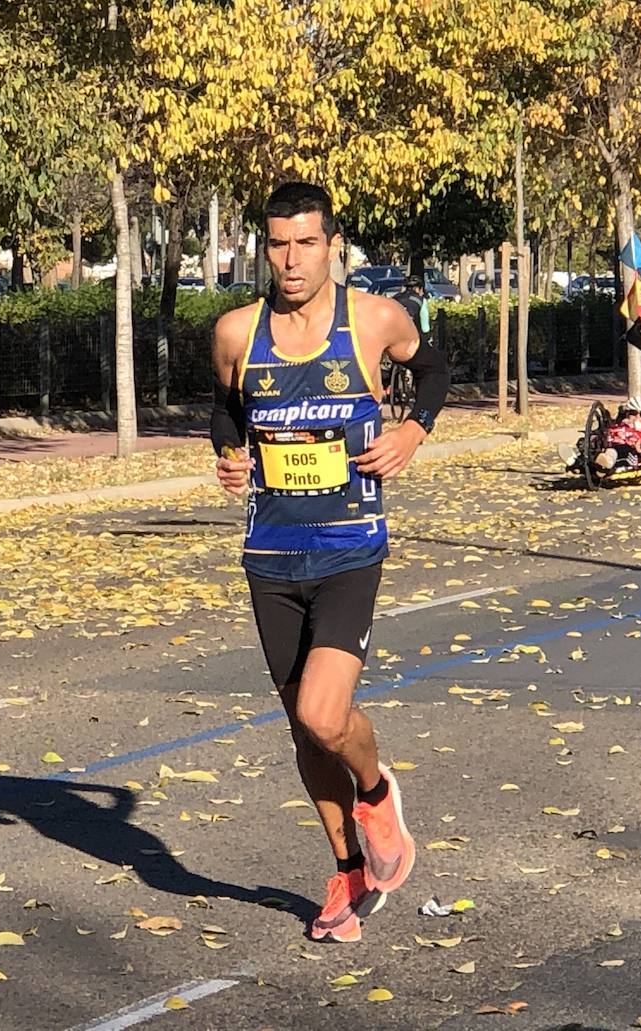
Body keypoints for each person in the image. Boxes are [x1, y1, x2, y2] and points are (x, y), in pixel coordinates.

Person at [209, 182, 450, 943]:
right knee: (302, 727)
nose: (289, 259)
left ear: (331, 245)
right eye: (277, 243)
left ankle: (376, 794)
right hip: (270, 550)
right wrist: (226, 452)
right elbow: (226, 407)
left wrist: (414, 431)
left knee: (323, 710)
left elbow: (434, 368)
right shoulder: (236, 331)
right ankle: (348, 867)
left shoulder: (373, 318)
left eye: (305, 243)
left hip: (350, 545)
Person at [558, 395, 641, 477]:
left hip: (630, 455)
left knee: (616, 451)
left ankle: (599, 465)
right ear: (627, 414)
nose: (637, 418)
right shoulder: (620, 425)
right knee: (598, 448)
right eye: (633, 413)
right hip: (609, 445)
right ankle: (579, 462)